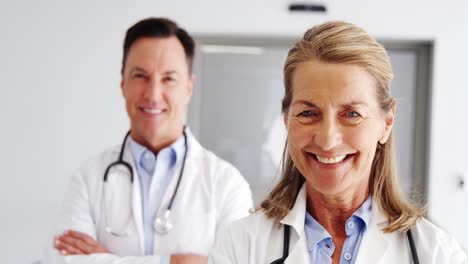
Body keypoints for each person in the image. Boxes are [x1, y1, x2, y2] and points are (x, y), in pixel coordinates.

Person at [209, 21, 467, 264]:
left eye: (352, 114)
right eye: (308, 113)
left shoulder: (436, 254)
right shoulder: (242, 244)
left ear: (386, 123)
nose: (327, 140)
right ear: (286, 119)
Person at [42, 17, 253, 264]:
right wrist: (175, 262)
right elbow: (61, 260)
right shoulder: (88, 178)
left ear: (189, 87)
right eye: (140, 76)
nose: (153, 95)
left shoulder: (227, 184)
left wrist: (103, 259)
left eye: (168, 79)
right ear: (123, 83)